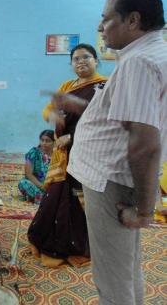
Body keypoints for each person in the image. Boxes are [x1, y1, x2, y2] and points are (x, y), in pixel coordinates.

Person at [53, 0, 166, 303]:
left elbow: (145, 143)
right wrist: (74, 104)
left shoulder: (139, 62)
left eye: (106, 18)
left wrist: (144, 211)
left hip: (111, 181)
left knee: (112, 278)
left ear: (133, 20)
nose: (100, 26)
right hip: (116, 178)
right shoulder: (148, 53)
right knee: (126, 268)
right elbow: (119, 112)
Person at [28, 44, 107, 268]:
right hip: (63, 153)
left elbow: (103, 121)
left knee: (78, 197)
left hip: (87, 151)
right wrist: (53, 113)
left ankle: (79, 244)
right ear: (71, 64)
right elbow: (48, 110)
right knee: (57, 196)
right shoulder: (68, 86)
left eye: (86, 57)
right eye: (76, 59)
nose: (81, 62)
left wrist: (72, 137)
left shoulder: (104, 86)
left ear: (96, 60)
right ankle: (53, 240)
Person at [18, 130, 55, 205]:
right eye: (42, 140)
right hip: (37, 184)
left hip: (52, 186)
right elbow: (28, 174)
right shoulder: (33, 152)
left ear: (54, 142)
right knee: (23, 183)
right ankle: (43, 198)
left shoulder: (58, 154)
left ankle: (46, 198)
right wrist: (42, 186)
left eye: (48, 141)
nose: (44, 143)